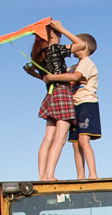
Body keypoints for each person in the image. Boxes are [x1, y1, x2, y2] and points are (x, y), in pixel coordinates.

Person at [27, 20, 86, 180]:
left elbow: (47, 78)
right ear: (53, 34)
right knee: (59, 138)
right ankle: (50, 174)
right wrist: (62, 28)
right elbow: (80, 44)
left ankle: (42, 176)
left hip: (51, 95)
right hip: (63, 93)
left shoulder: (41, 54)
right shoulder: (56, 49)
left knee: (48, 137)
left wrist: (35, 74)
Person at [44, 33, 100, 179]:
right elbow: (62, 78)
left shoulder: (87, 62)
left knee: (83, 140)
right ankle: (80, 176)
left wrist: (53, 77)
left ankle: (92, 174)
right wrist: (40, 74)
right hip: (74, 105)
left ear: (83, 46)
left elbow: (74, 77)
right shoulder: (74, 66)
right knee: (75, 144)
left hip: (87, 103)